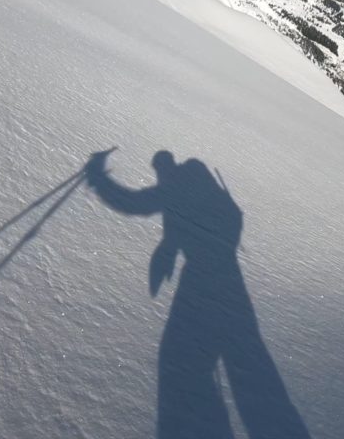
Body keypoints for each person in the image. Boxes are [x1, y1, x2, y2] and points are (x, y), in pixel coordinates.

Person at [85, 149, 309, 439]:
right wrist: (169, 248)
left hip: (203, 277)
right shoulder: (197, 180)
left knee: (179, 360)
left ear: (164, 168)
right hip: (230, 276)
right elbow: (187, 224)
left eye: (159, 170)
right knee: (248, 364)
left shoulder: (174, 186)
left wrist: (97, 177)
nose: (159, 175)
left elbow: (134, 203)